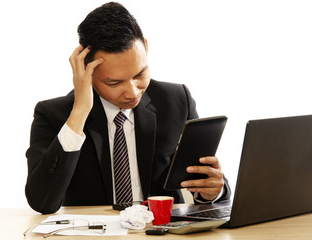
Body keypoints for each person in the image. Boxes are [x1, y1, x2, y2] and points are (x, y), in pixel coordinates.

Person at [25, 1, 231, 214]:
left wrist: (212, 190)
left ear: (146, 48)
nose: (133, 92)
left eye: (139, 74)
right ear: (86, 69)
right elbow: (42, 202)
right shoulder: (53, 115)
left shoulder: (176, 100)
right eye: (114, 83)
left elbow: (204, 176)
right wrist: (80, 111)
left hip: (160, 232)